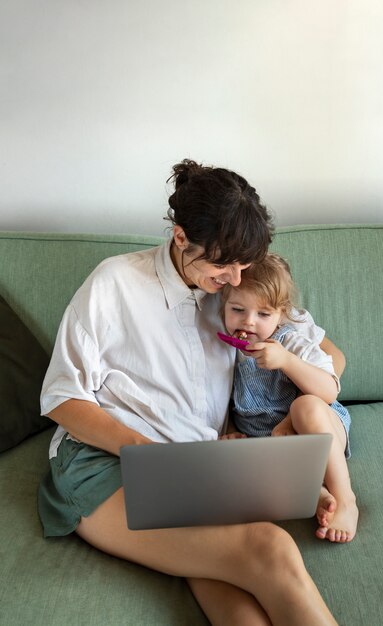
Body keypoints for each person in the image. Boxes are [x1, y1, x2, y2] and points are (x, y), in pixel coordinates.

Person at [38, 159, 340, 626]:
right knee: (270, 548)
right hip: (104, 464)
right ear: (181, 238)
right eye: (225, 264)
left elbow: (330, 358)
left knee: (239, 606)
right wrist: (150, 454)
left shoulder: (233, 297)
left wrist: (280, 431)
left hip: (192, 470)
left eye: (244, 266)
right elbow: (61, 398)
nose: (236, 279)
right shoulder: (115, 282)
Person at [221, 253, 359, 543]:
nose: (248, 322)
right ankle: (316, 494)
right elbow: (223, 400)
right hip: (270, 444)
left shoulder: (293, 343)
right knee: (233, 471)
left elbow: (329, 391)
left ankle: (345, 499)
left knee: (304, 405)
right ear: (223, 305)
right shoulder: (225, 352)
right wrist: (231, 431)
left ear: (281, 315)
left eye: (263, 314)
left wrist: (286, 361)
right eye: (237, 309)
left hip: (319, 427)